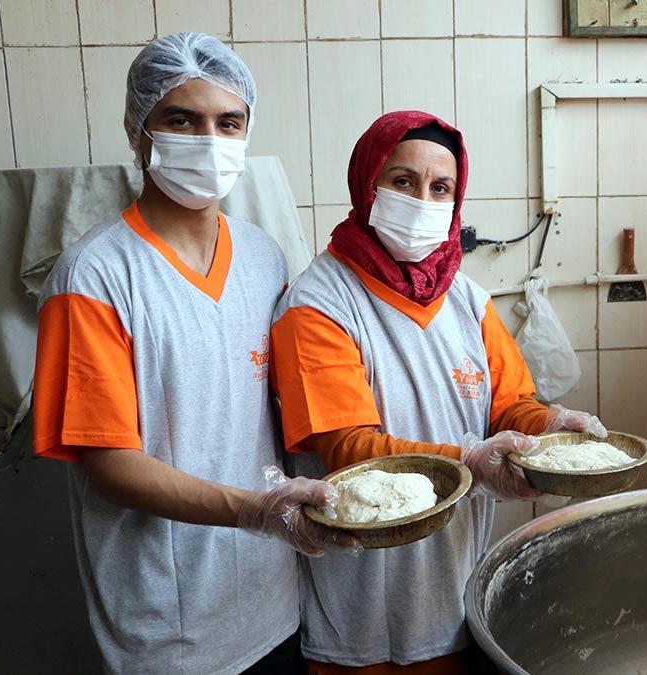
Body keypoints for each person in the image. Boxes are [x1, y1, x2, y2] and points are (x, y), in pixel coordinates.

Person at [32, 32, 353, 674]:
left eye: (228, 122)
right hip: (168, 625)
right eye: (182, 119)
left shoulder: (263, 258)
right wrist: (256, 512)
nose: (209, 140)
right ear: (137, 130)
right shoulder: (95, 276)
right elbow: (111, 465)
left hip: (273, 600)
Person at [269, 110, 607, 673]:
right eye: (402, 182)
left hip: (457, 594)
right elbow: (348, 451)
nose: (423, 200)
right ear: (366, 185)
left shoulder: (467, 300)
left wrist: (548, 428)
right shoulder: (318, 305)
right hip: (362, 615)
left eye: (440, 187)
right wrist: (471, 462)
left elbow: (509, 405)